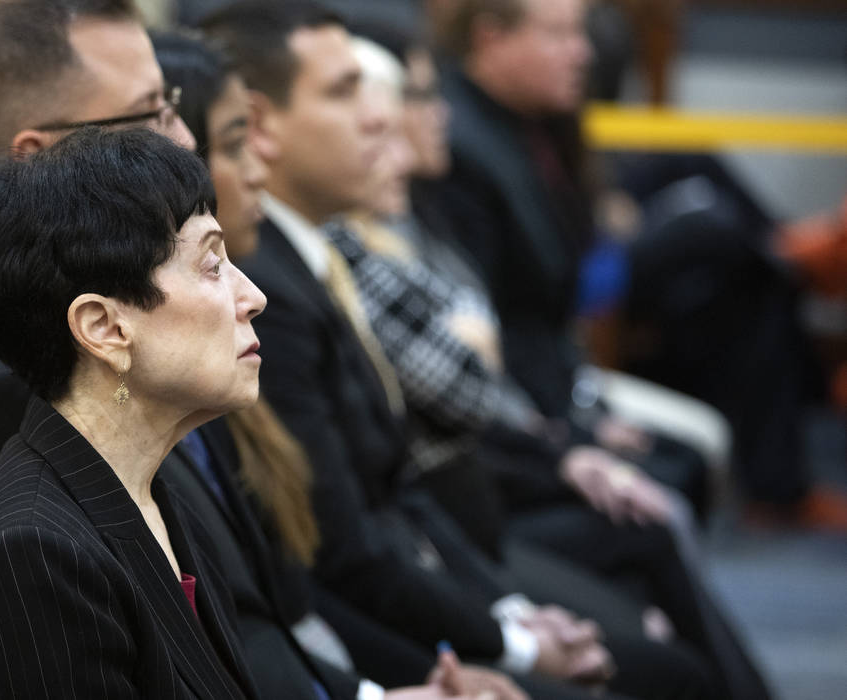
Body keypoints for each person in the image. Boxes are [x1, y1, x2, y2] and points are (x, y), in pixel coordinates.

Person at [200, 3, 717, 699]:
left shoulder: (316, 255)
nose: (381, 121)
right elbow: (335, 553)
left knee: (661, 616)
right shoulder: (275, 287)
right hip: (391, 602)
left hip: (437, 553)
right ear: (264, 125)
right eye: (345, 93)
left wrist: (510, 617)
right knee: (660, 656)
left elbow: (401, 480)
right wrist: (507, 643)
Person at [154, 29, 527, 700]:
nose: (383, 121)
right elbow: (291, 589)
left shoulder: (298, 263)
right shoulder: (178, 360)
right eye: (237, 142)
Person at [420, 2, 771, 698]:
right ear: (491, 38)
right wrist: (574, 430)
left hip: (551, 388)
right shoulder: (460, 147)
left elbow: (548, 305)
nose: (581, 52)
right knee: (662, 489)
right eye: (558, 33)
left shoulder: (543, 124)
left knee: (680, 464)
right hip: (510, 434)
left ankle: (664, 629)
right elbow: (489, 351)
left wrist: (580, 408)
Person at [0, 126, 263, 699]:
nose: (253, 297)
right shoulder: (30, 562)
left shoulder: (144, 483)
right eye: (212, 264)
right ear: (104, 328)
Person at [0, 0, 195, 577]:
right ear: (36, 159)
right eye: (148, 115)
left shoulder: (73, 302)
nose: (185, 140)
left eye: (169, 104)